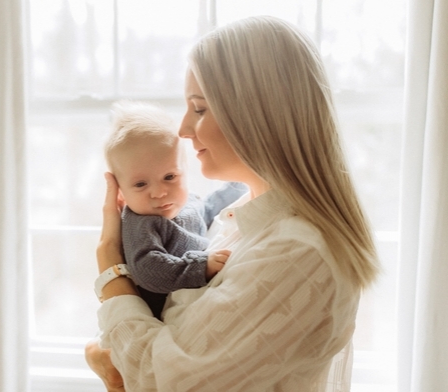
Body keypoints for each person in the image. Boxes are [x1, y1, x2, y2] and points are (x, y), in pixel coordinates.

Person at [86, 15, 380, 392]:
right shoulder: (238, 221)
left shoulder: (296, 252)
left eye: (199, 108)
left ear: (257, 115)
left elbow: (163, 379)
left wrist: (110, 267)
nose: (183, 129)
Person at [104, 101, 247, 319]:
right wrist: (200, 267)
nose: (160, 192)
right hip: (153, 320)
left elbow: (209, 210)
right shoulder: (141, 223)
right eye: (141, 184)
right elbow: (149, 269)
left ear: (184, 172)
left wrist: (239, 182)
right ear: (121, 194)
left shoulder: (187, 203)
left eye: (170, 177)